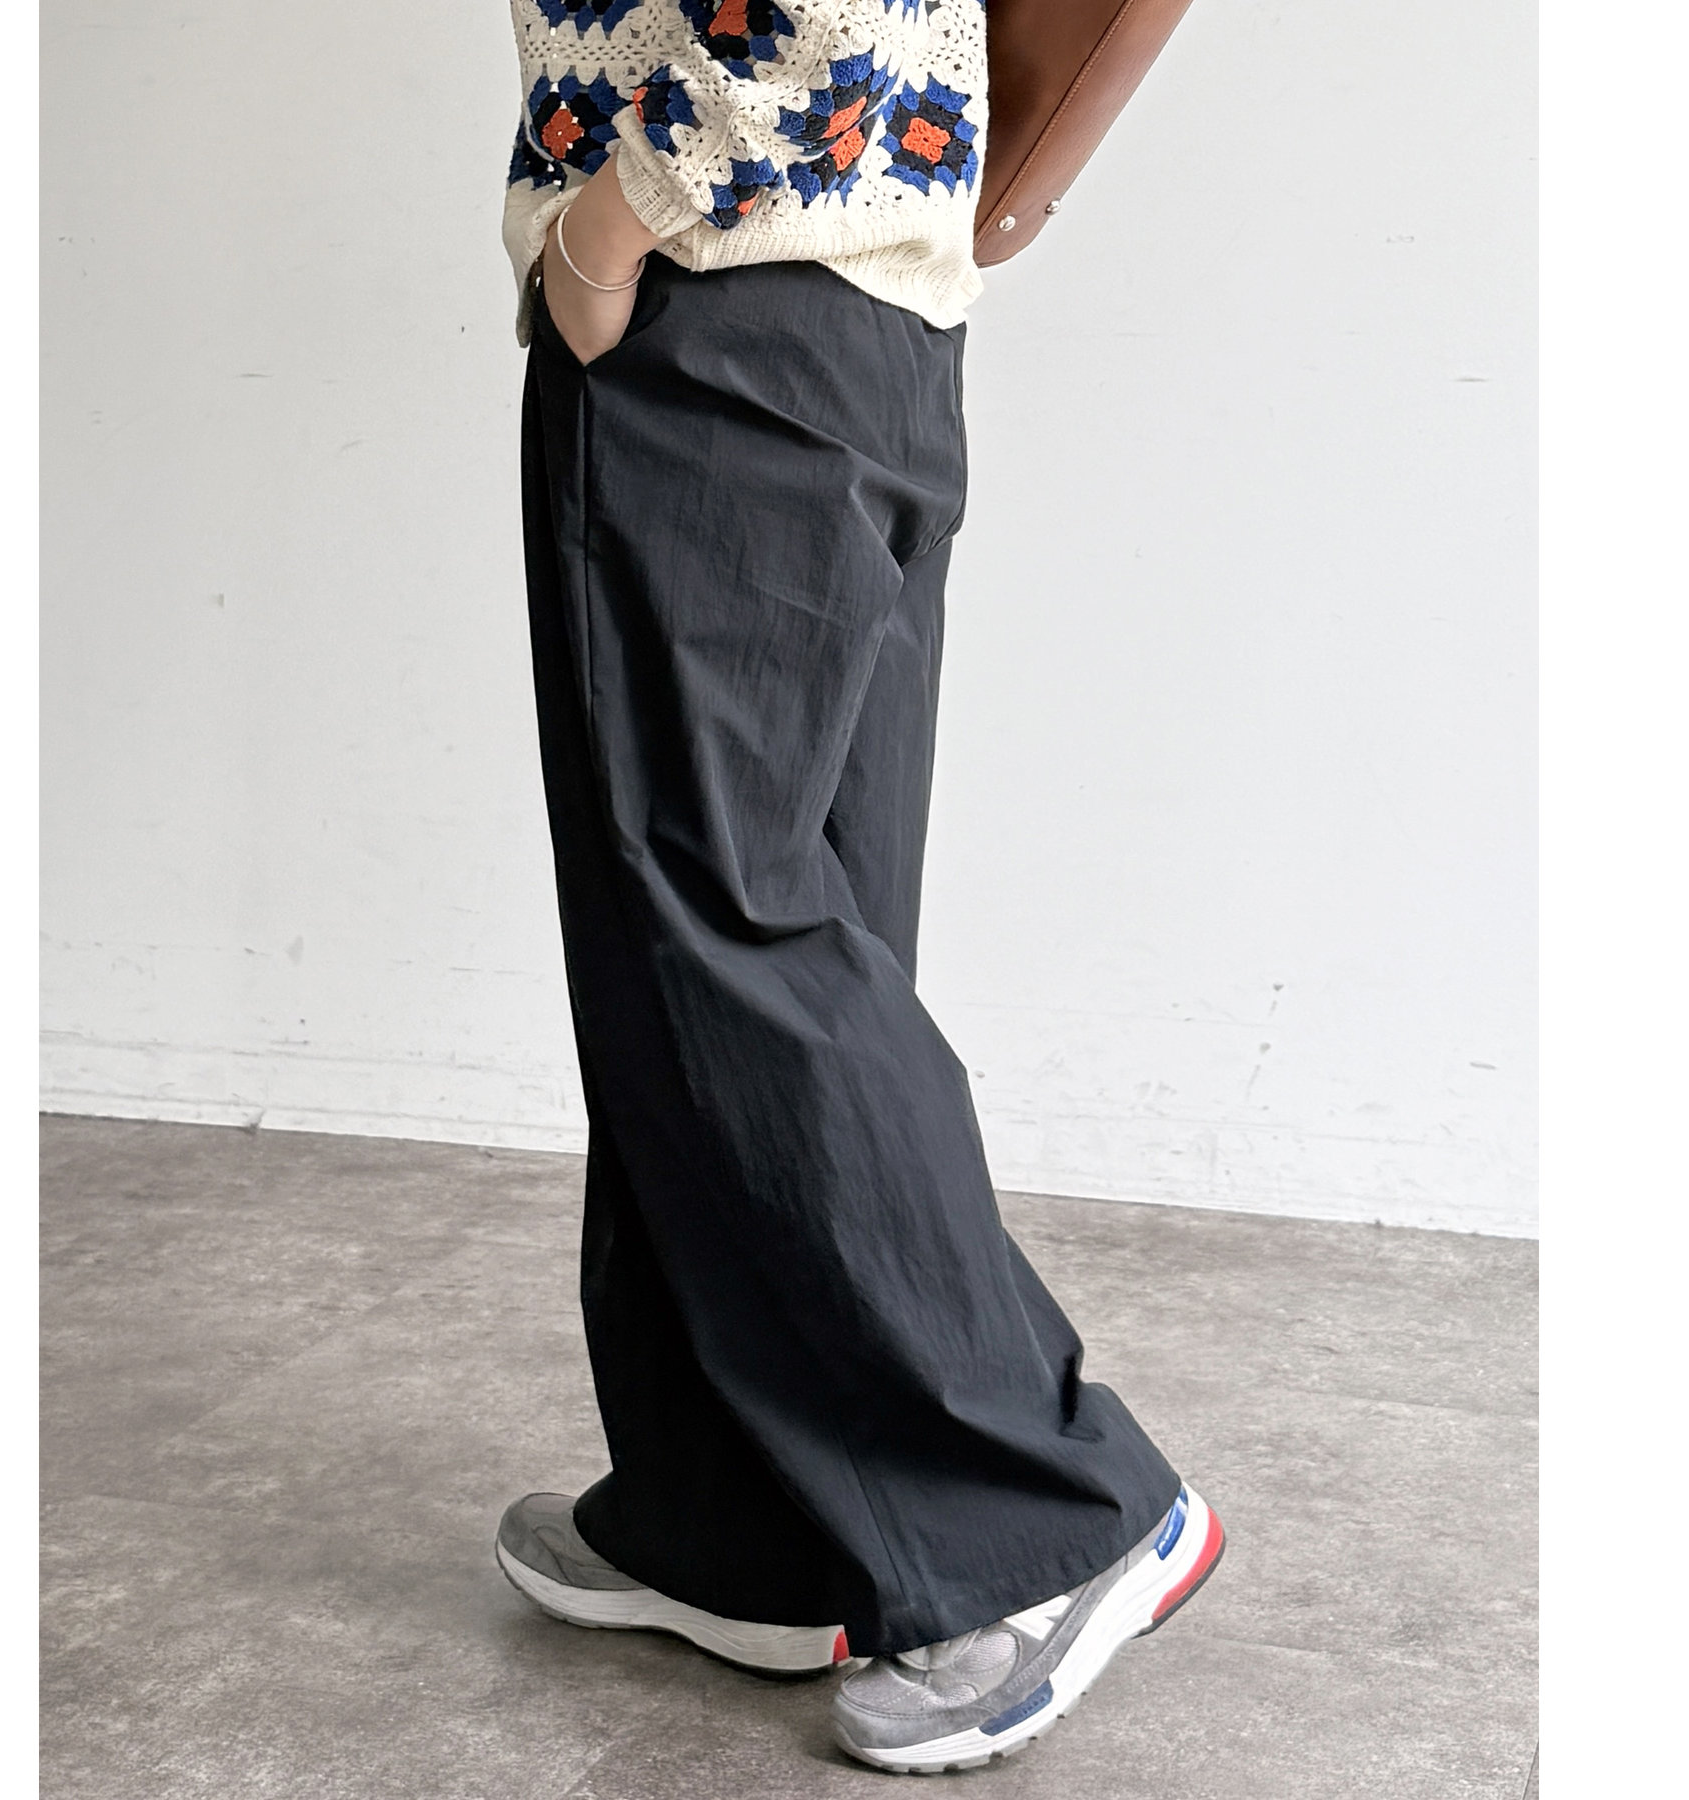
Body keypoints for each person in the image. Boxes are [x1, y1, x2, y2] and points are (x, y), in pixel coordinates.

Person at [492, 0, 1223, 1773]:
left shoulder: (673, 227)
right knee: (775, 910)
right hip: (856, 306)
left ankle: (1043, 1509)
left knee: (713, 913)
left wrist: (614, 221)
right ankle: (749, 1516)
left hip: (718, 276)